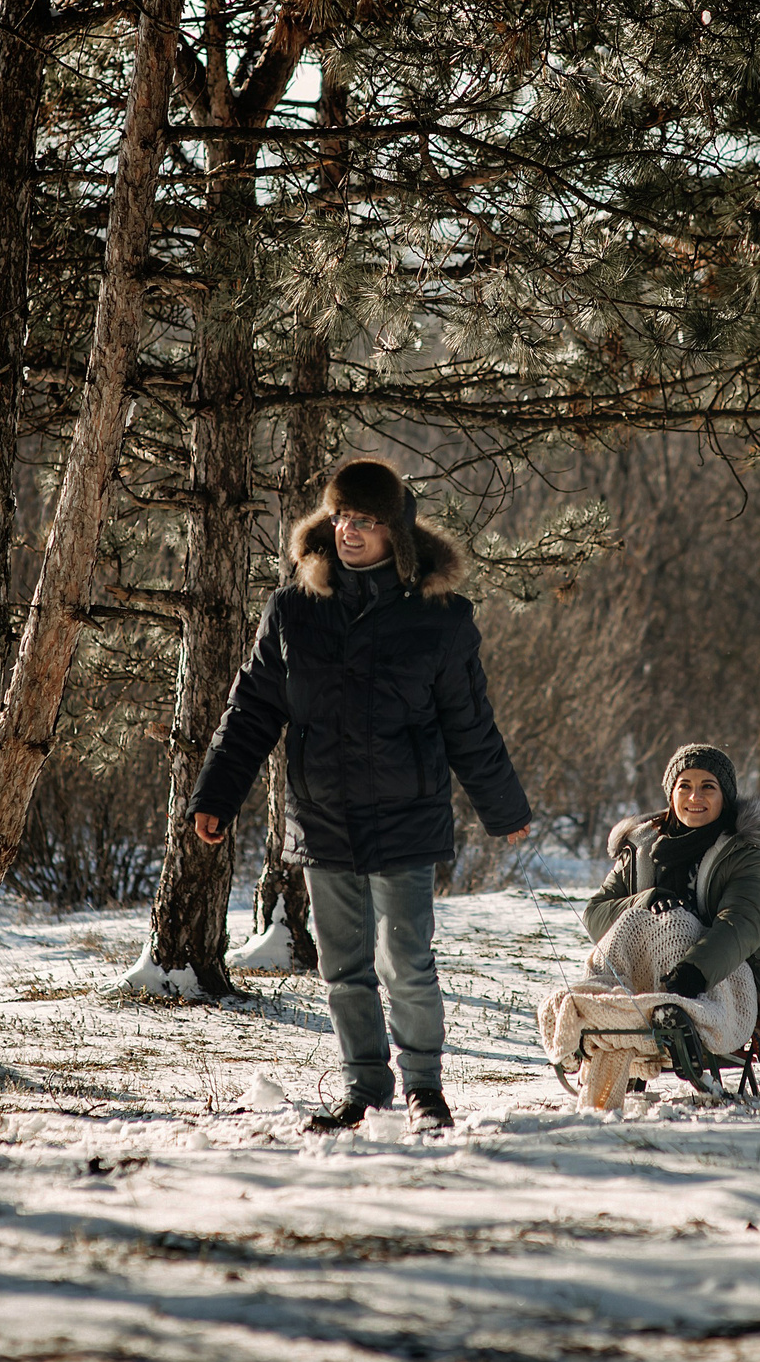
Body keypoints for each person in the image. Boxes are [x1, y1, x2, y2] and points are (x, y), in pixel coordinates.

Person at [188, 457, 532, 1135]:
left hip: (407, 813)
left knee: (405, 959)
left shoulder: (439, 619)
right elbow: (252, 710)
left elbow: (469, 722)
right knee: (343, 965)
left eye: (367, 520)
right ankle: (365, 1088)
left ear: (395, 532)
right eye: (342, 515)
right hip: (322, 817)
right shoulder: (293, 611)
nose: (350, 530)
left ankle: (425, 1088)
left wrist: (504, 807)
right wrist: (217, 794)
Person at [543, 744, 760, 1109]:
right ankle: (596, 1015)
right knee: (637, 916)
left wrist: (695, 971)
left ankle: (677, 1012)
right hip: (635, 970)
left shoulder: (740, 850)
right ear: (671, 793)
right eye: (685, 786)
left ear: (724, 796)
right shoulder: (641, 845)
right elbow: (596, 912)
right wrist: (643, 898)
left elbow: (742, 921)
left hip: (712, 974)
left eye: (708, 787)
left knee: (678, 920)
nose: (694, 797)